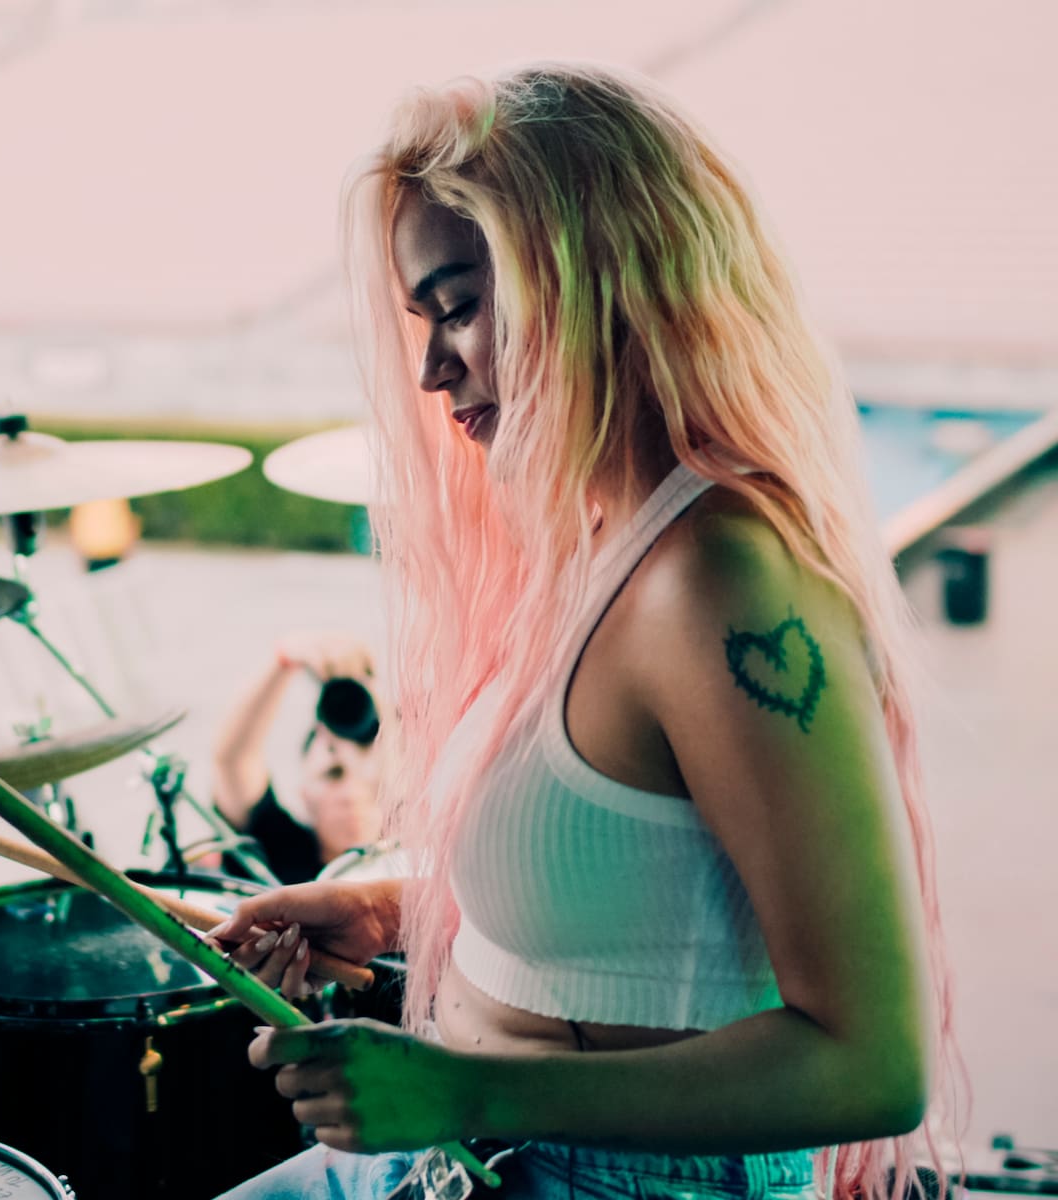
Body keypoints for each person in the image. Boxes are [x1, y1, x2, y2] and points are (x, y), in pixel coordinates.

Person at [209, 62, 961, 1200]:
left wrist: (463, 1091)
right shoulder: (604, 543)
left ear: (595, 280)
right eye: (423, 320)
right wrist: (385, 907)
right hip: (466, 1151)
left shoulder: (722, 581)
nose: (432, 370)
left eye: (460, 305)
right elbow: (628, 892)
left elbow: (872, 1067)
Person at [213, 632, 384, 884]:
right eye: (333, 773)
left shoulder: (413, 859)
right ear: (304, 793)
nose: (352, 793)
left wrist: (371, 690)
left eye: (367, 777)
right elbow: (234, 761)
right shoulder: (280, 851)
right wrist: (285, 661)